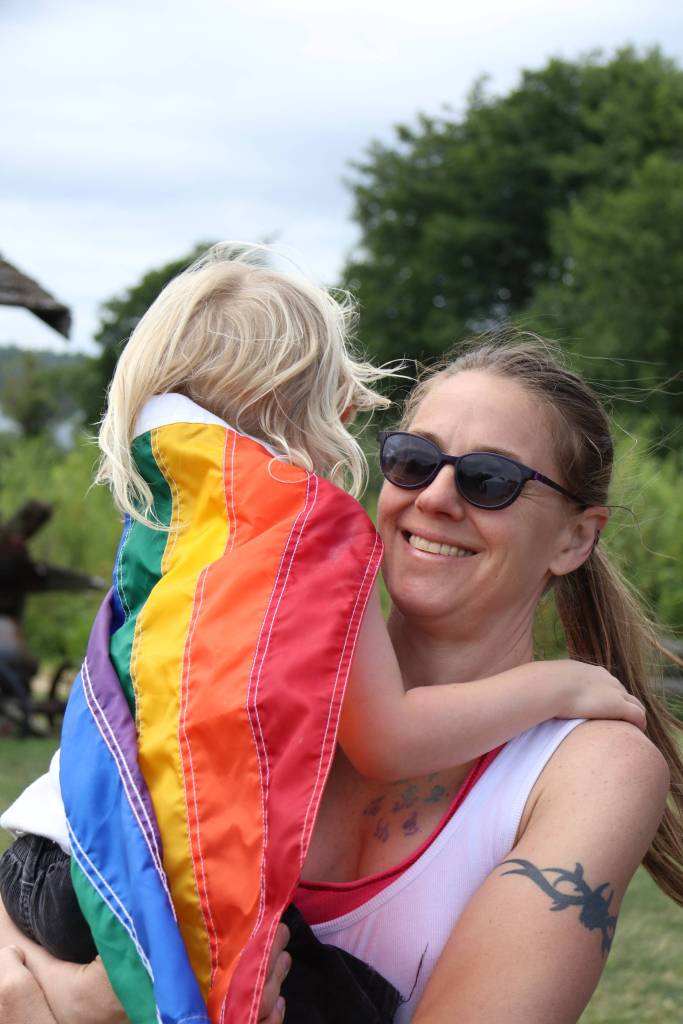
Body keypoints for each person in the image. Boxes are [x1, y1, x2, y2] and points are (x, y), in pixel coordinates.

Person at [0, 252, 640, 1024]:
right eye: (412, 461)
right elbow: (389, 738)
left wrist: (55, 1003)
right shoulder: (298, 561)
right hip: (116, 878)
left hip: (49, 854)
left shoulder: (176, 539)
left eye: (489, 480)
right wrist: (561, 681)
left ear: (575, 537)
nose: (436, 497)